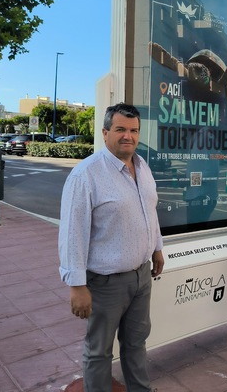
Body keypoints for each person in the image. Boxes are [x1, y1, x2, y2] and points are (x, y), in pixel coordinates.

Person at [58, 103, 164, 392]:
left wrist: (157, 247)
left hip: (141, 277)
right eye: (120, 129)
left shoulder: (142, 167)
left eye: (133, 130)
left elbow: (150, 211)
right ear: (105, 133)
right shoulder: (86, 175)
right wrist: (76, 285)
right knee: (99, 352)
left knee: (136, 343)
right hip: (105, 284)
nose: (128, 136)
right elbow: (72, 234)